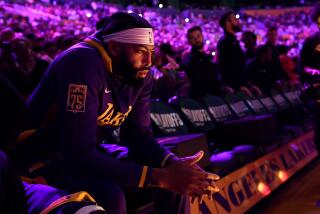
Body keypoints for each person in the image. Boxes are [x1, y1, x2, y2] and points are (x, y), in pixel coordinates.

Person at [27, 12, 219, 213]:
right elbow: (77, 153)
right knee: (110, 195)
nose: (148, 61)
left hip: (86, 150)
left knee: (173, 179)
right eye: (140, 51)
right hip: (42, 154)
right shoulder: (82, 62)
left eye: (151, 52)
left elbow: (138, 135)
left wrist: (173, 164)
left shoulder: (139, 72)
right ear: (114, 47)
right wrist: (159, 177)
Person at [181, 26, 225, 98]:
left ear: (202, 36)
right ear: (189, 41)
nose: (196, 39)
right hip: (202, 98)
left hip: (214, 96)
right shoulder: (189, 58)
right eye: (193, 38)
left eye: (198, 36)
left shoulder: (207, 56)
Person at [217, 11, 247, 91]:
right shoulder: (226, 42)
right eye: (235, 19)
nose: (238, 22)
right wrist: (238, 86)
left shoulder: (232, 40)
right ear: (227, 23)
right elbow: (228, 67)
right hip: (235, 89)